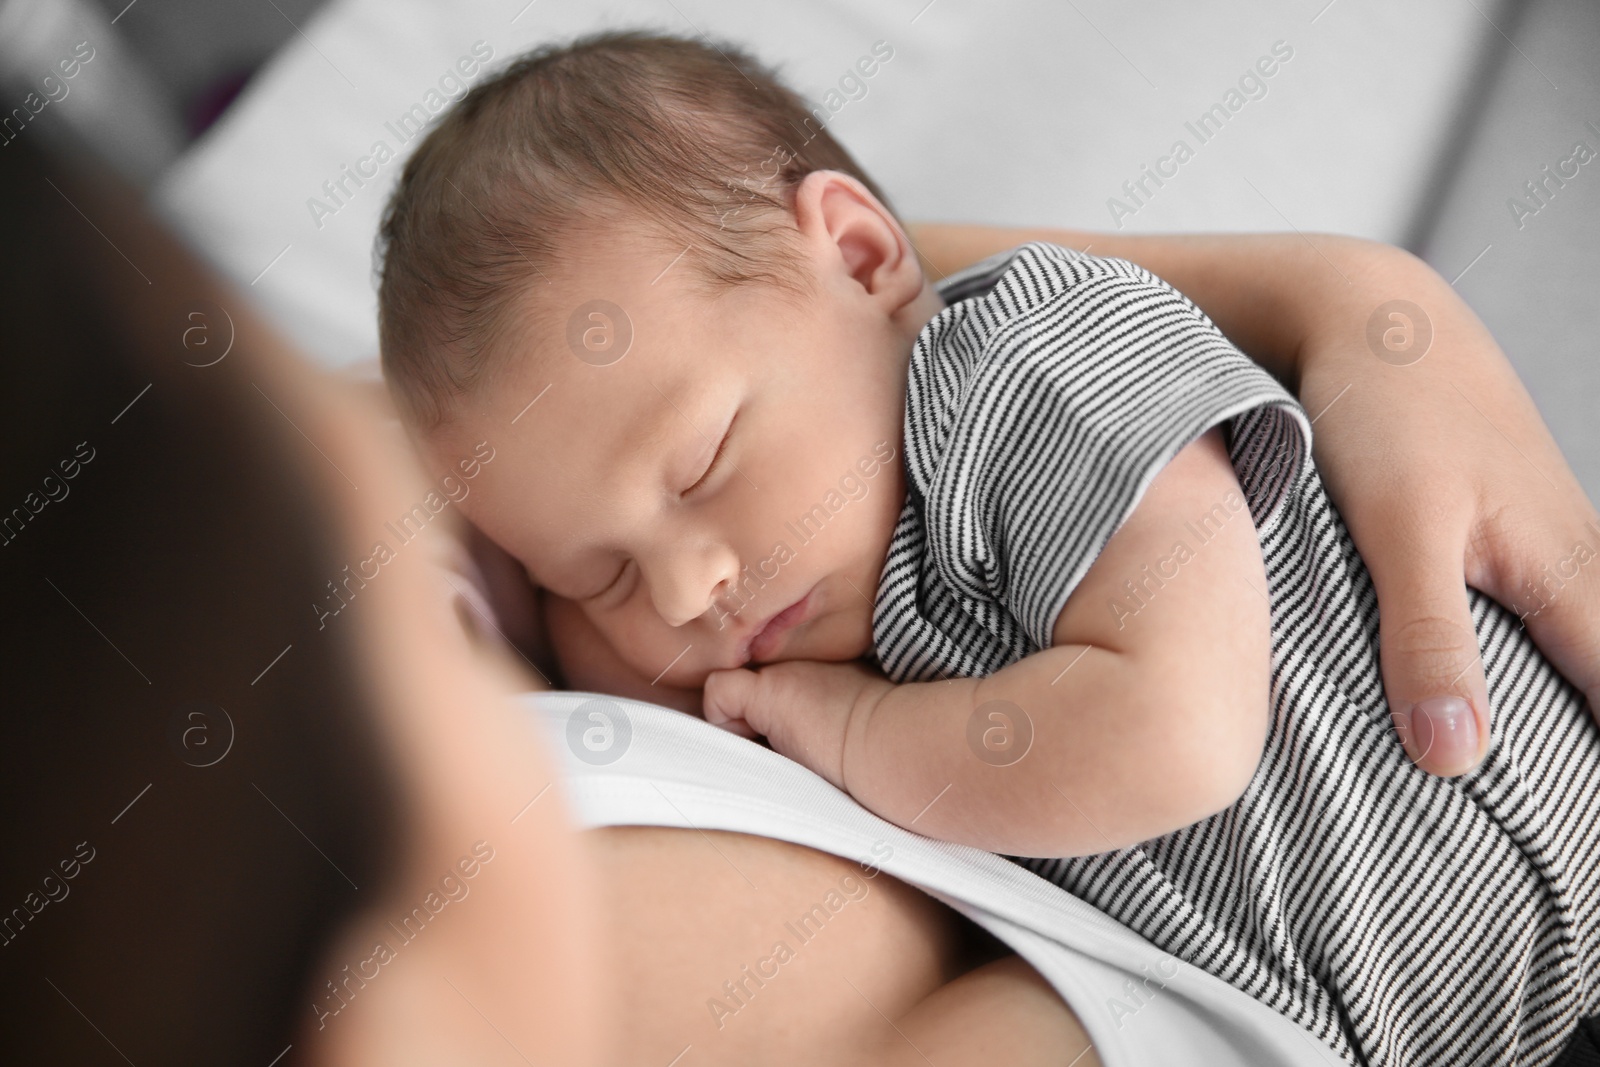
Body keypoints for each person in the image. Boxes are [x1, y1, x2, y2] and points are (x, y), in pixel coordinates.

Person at [5, 84, 1599, 1067]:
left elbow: (1180, 733)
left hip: (1532, 907)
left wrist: (851, 737)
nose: (689, 584)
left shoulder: (1019, 369)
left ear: (858, 257)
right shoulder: (744, 566)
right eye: (593, 571)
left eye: (701, 469)